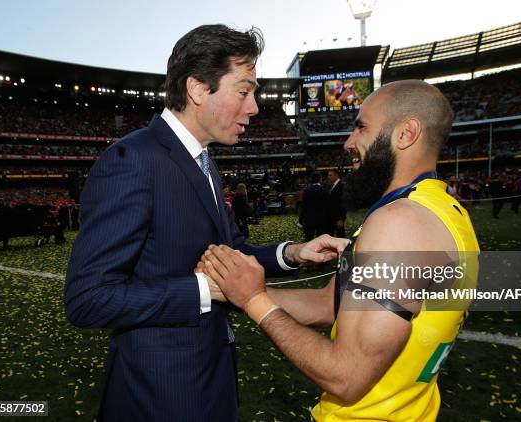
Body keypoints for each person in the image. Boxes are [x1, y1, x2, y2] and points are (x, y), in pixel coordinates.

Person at [65, 24, 347, 422]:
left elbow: (232, 252)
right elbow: (87, 299)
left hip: (210, 383)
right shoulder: (132, 161)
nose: (254, 108)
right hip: (160, 397)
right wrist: (206, 289)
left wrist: (293, 252)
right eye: (244, 91)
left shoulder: (205, 164)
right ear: (198, 89)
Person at [200, 80, 480, 421]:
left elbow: (346, 376)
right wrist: (232, 291)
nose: (349, 142)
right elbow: (328, 305)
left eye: (361, 127)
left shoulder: (399, 222)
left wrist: (255, 302)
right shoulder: (446, 211)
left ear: (406, 134)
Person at [299, 172, 331, 241]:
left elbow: (304, 207)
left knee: (308, 240)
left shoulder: (306, 191)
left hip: (309, 219)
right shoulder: (324, 191)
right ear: (320, 179)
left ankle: (308, 251)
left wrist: (300, 221)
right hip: (322, 220)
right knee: (321, 241)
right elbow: (328, 207)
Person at [327, 169, 346, 237]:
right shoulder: (331, 186)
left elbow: (343, 203)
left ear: (336, 175)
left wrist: (340, 218)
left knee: (340, 235)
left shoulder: (341, 186)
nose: (328, 177)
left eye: (330, 175)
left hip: (338, 217)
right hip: (332, 216)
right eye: (328, 175)